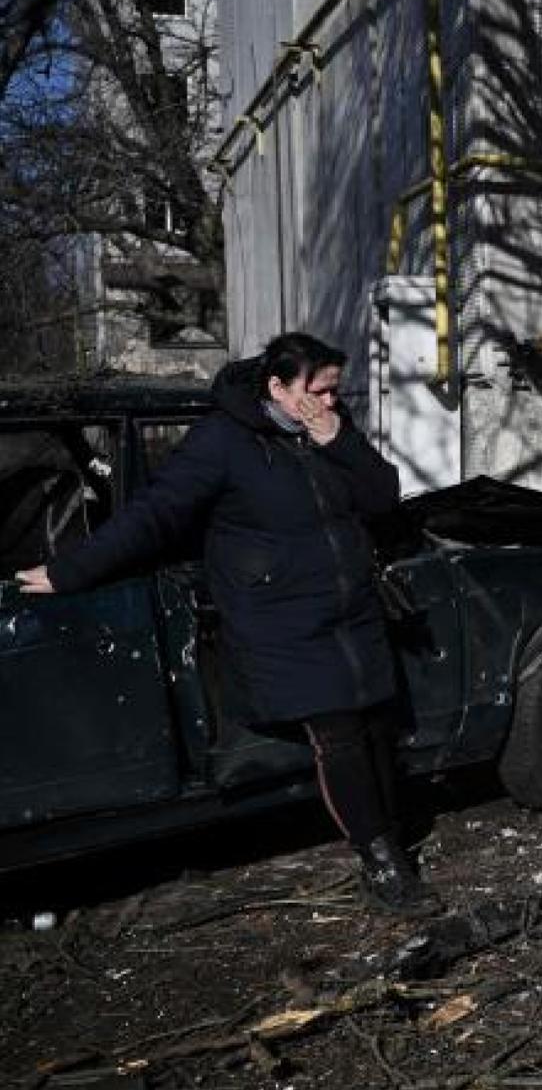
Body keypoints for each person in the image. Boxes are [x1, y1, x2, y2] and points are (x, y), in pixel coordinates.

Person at [15, 333, 439, 916]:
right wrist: (70, 570)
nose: (331, 403)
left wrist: (339, 441)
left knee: (373, 728)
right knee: (338, 734)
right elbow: (155, 514)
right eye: (320, 391)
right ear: (278, 387)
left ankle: (389, 833)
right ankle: (384, 864)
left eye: (337, 393)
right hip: (282, 622)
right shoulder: (222, 440)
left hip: (350, 613)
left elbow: (382, 498)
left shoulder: (327, 432)